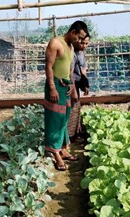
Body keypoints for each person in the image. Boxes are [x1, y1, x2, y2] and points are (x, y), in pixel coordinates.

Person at [44, 20, 89, 171]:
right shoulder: (55, 43)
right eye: (79, 37)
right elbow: (48, 67)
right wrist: (52, 88)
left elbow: (69, 69)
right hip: (55, 85)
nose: (80, 41)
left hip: (66, 86)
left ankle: (63, 149)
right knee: (54, 119)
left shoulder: (70, 47)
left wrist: (72, 85)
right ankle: (55, 153)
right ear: (73, 33)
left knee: (64, 118)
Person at [68, 35, 90, 140]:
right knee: (71, 110)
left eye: (86, 43)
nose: (84, 46)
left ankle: (76, 132)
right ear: (77, 41)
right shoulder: (70, 53)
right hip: (70, 84)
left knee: (76, 108)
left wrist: (85, 84)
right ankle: (70, 136)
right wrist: (73, 91)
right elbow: (69, 74)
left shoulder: (81, 53)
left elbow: (83, 70)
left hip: (77, 83)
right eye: (82, 43)